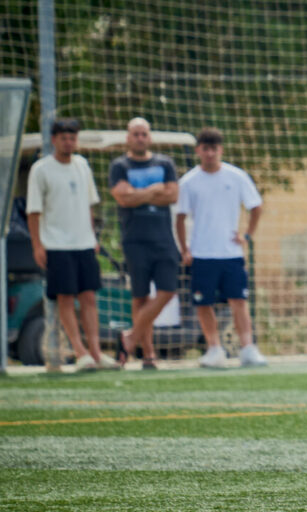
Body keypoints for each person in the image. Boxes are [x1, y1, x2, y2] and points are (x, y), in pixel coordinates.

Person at [26, 118, 119, 371]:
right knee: (65, 298)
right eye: (63, 138)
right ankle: (80, 353)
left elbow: (89, 205)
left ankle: (97, 353)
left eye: (72, 137)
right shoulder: (41, 169)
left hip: (84, 244)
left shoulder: (82, 165)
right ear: (54, 140)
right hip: (56, 244)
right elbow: (33, 212)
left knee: (89, 296)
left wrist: (92, 237)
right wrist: (38, 245)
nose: (68, 142)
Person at [175, 127, 265, 368]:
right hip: (202, 253)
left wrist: (247, 235)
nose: (210, 153)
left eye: (214, 149)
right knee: (204, 303)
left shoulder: (236, 177)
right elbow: (180, 217)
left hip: (231, 253)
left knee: (238, 300)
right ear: (199, 151)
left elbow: (256, 206)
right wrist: (184, 249)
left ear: (220, 150)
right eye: (206, 149)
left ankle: (247, 348)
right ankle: (214, 348)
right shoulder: (188, 182)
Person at [110, 117, 180, 370]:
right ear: (128, 137)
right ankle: (148, 354)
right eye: (135, 134)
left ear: (149, 137)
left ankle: (130, 337)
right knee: (140, 296)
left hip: (163, 239)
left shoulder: (165, 163)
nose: (140, 138)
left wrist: (137, 194)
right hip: (134, 240)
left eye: (144, 134)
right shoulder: (119, 166)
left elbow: (172, 195)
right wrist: (153, 191)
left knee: (167, 291)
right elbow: (123, 199)